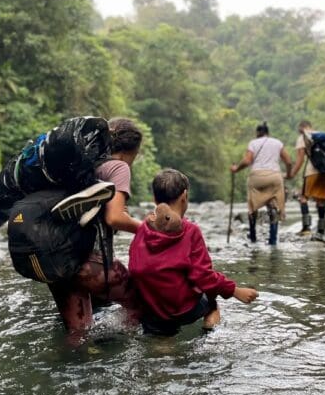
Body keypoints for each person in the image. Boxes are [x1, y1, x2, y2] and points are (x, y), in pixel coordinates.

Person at [129, 169, 259, 336]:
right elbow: (203, 276)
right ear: (184, 196)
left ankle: (164, 343)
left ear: (154, 199)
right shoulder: (190, 231)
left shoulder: (143, 228)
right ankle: (208, 329)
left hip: (151, 310)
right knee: (212, 302)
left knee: (162, 344)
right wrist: (235, 290)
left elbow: (135, 266)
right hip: (183, 310)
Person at [47, 118, 145, 335]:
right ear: (132, 151)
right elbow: (115, 218)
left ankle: (74, 362)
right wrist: (149, 229)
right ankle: (120, 350)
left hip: (57, 261)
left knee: (78, 334)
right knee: (141, 305)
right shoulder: (118, 166)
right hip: (89, 263)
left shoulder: (81, 164)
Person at [230, 122, 292, 245]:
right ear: (268, 132)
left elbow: (247, 161)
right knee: (273, 206)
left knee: (253, 207)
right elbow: (289, 161)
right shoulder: (277, 143)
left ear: (257, 133)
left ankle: (253, 237)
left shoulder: (253, 143)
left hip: (257, 176)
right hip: (274, 176)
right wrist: (289, 174)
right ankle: (273, 240)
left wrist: (236, 169)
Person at [288, 120, 325, 242]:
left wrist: (292, 173)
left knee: (303, 198)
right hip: (324, 172)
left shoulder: (303, 137)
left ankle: (306, 227)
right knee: (321, 200)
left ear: (301, 128)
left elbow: (300, 159)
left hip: (311, 172)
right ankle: (321, 230)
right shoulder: (321, 135)